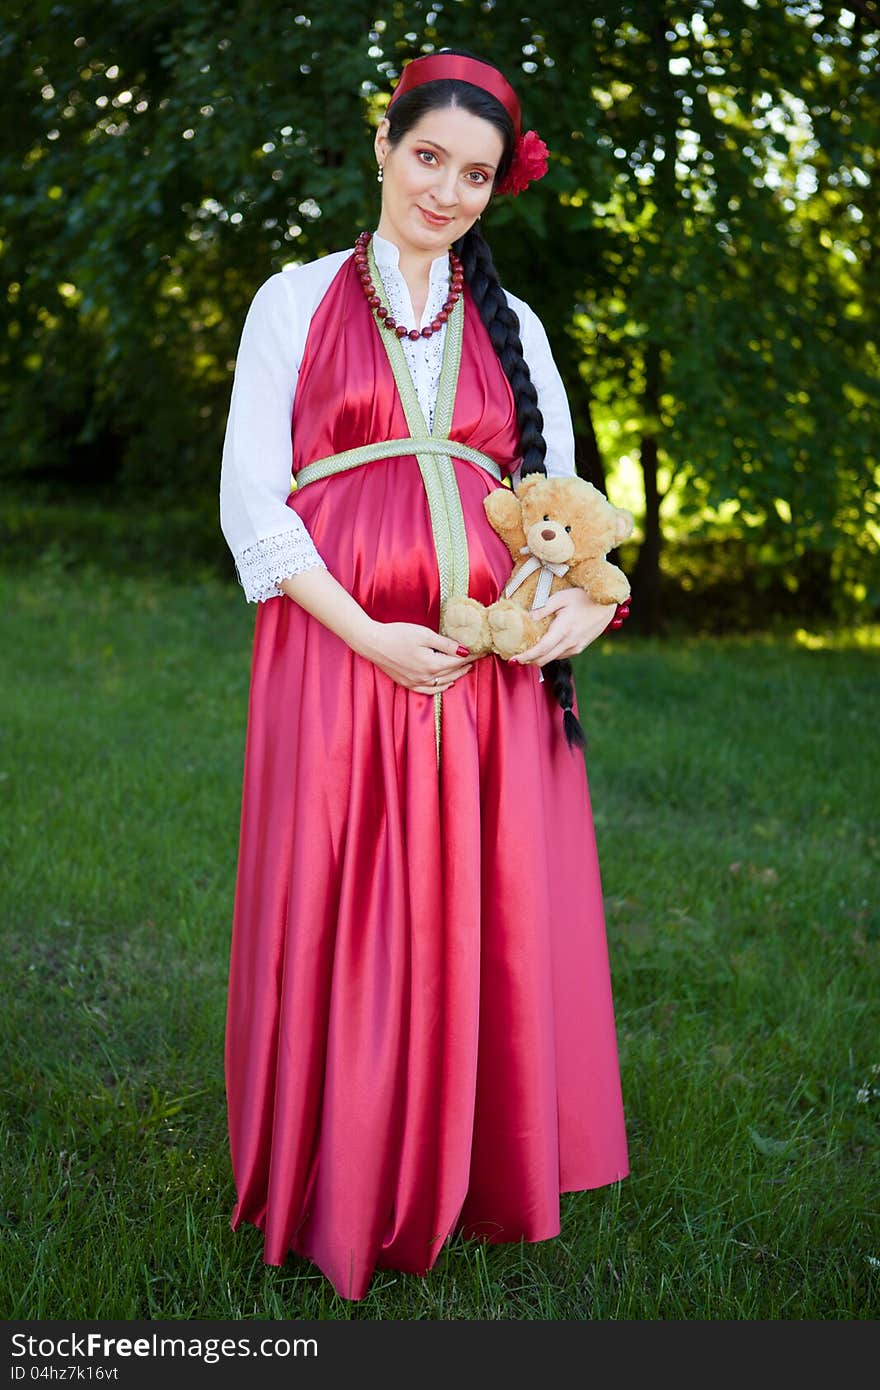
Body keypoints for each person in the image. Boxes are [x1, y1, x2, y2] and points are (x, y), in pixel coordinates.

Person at [219, 49, 630, 1304]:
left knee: (476, 908)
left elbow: (568, 509)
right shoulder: (293, 298)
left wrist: (570, 612)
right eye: (428, 159)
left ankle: (478, 1164)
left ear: (498, 189)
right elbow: (251, 500)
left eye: (476, 174)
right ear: (385, 149)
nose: (446, 191)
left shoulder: (515, 327)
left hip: (484, 677)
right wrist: (368, 633)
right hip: (342, 653)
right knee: (350, 897)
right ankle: (336, 1169)